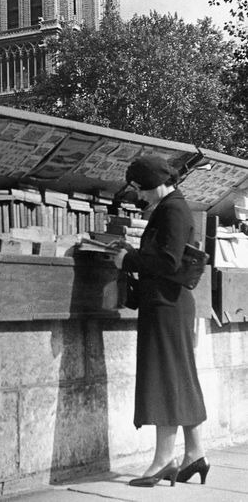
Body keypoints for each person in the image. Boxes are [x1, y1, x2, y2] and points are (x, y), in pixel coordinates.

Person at [111, 155, 209, 488]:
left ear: (155, 184)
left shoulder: (172, 210)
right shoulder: (172, 207)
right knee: (179, 378)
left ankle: (163, 460)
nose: (140, 195)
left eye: (140, 188)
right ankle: (195, 453)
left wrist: (128, 259)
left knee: (164, 379)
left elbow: (167, 261)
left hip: (167, 305)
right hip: (169, 304)